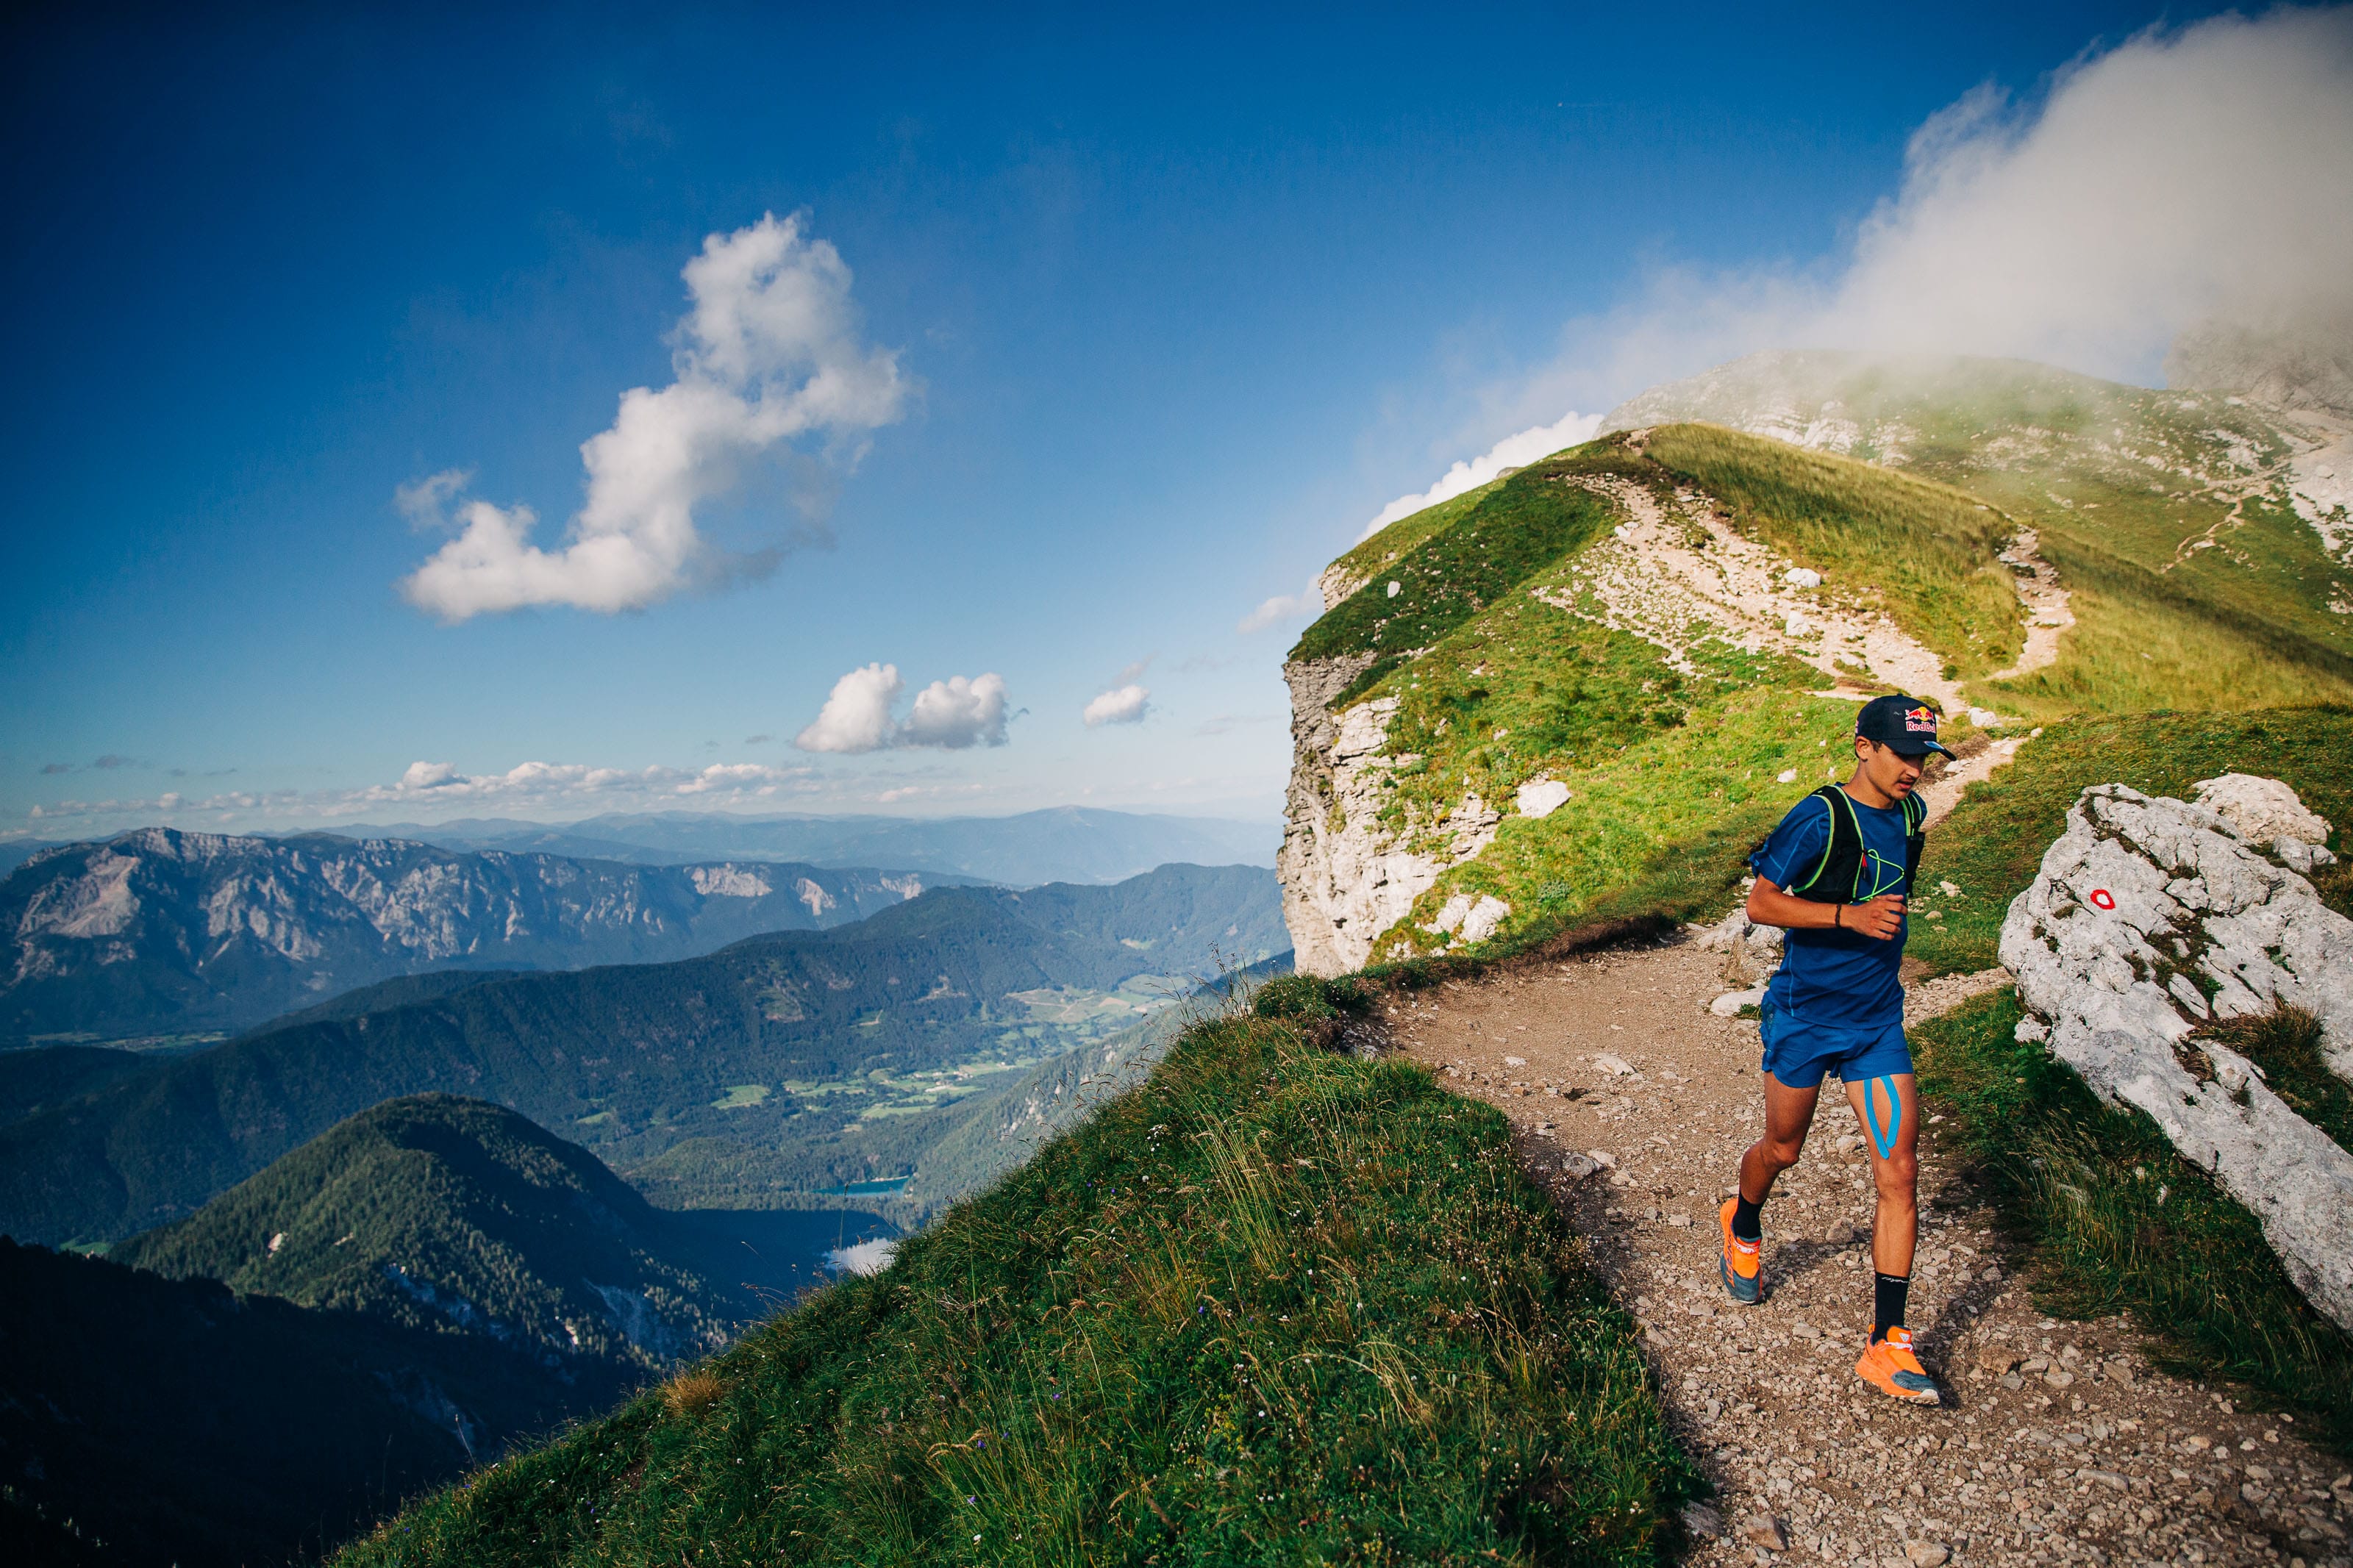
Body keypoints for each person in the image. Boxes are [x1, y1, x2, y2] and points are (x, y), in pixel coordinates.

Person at [1716, 693, 1954, 1406]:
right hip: (1802, 1017)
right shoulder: (1820, 816)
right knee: (1781, 1150)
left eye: (1922, 758)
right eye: (1901, 755)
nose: (1914, 770)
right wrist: (1846, 916)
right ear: (1863, 748)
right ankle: (1743, 1219)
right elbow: (1760, 903)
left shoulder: (1910, 815)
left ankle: (1886, 1343)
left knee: (1899, 1172)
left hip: (1874, 1023)